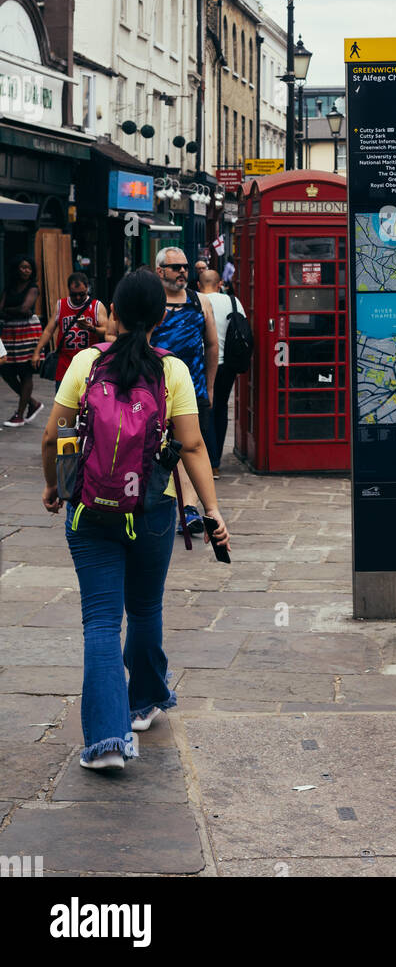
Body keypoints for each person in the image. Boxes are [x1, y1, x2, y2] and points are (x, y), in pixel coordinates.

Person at [40, 268, 230, 771]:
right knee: (145, 610)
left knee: (101, 623)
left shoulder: (85, 362)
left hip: (90, 509)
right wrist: (209, 511)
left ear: (114, 314)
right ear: (161, 317)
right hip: (152, 508)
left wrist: (57, 485)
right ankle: (142, 703)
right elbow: (192, 445)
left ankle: (107, 743)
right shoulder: (172, 372)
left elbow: (53, 437)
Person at [149, 248, 218, 530]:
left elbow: (212, 345)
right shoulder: (151, 303)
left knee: (188, 447)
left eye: (185, 267)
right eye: (175, 267)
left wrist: (210, 387)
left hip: (193, 389)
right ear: (160, 271)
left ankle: (189, 508)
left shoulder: (199, 301)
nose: (182, 272)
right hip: (154, 389)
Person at [197, 269, 247, 477]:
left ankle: (210, 460)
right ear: (220, 284)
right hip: (227, 364)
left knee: (204, 410)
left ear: (199, 285)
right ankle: (215, 462)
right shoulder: (234, 302)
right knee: (220, 409)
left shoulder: (195, 301)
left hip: (202, 363)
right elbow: (244, 330)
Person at [32, 273, 108, 391]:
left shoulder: (96, 306)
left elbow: (107, 332)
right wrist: (37, 351)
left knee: (86, 403)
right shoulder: (61, 305)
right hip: (65, 364)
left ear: (87, 288)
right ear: (68, 290)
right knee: (62, 402)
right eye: (74, 295)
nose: (78, 298)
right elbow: (48, 330)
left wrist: (91, 328)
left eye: (81, 294)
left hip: (88, 365)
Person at [0, 255, 43, 427]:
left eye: (28, 268)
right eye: (22, 267)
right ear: (16, 269)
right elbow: (0, 310)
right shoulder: (9, 287)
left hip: (27, 332)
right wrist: (15, 311)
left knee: (25, 371)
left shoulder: (33, 287)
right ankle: (32, 403)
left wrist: (9, 311)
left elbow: (26, 309)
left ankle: (19, 414)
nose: (25, 270)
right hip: (10, 332)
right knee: (5, 369)